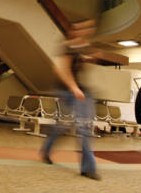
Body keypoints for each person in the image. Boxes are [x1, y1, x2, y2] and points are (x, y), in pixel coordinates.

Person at [40, 19, 101, 181]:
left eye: (86, 28)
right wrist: (73, 87)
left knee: (84, 128)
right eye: (78, 28)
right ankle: (46, 150)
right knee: (61, 126)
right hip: (65, 90)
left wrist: (92, 56)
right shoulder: (68, 46)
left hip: (82, 91)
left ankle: (88, 169)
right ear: (72, 31)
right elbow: (62, 69)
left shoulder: (84, 47)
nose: (82, 31)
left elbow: (85, 61)